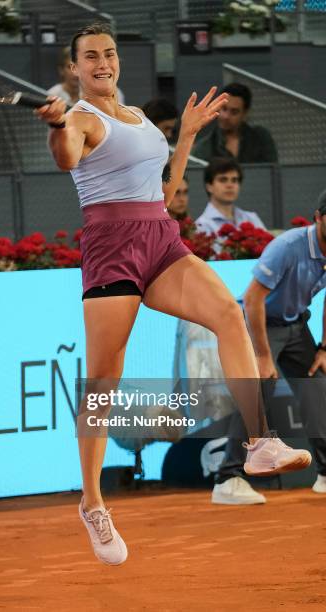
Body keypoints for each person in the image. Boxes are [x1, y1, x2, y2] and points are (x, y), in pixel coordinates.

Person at [36, 22, 311, 566]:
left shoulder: (137, 117)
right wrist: (55, 125)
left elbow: (163, 190)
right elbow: (67, 157)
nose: (102, 63)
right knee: (103, 380)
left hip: (161, 238)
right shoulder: (79, 118)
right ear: (74, 68)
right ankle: (92, 503)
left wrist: (184, 136)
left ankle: (259, 446)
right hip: (111, 246)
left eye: (109, 53)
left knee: (228, 316)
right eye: (89, 56)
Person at [212, 192, 326, 505]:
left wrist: (324, 347)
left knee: (316, 385)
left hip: (296, 325)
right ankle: (228, 478)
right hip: (259, 322)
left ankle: (325, 474)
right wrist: (263, 356)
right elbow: (252, 299)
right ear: (318, 217)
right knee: (257, 388)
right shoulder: (288, 247)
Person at [193, 82, 278, 164]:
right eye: (224, 109)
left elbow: (273, 172)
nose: (226, 116)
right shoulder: (204, 148)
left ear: (245, 114)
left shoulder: (260, 138)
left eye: (234, 112)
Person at [196, 157, 266, 235]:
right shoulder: (201, 225)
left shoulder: (251, 218)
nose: (230, 185)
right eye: (223, 180)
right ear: (209, 187)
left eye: (234, 180)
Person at [48, 45, 125, 107]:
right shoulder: (52, 94)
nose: (75, 73)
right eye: (70, 67)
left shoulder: (112, 93)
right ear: (61, 70)